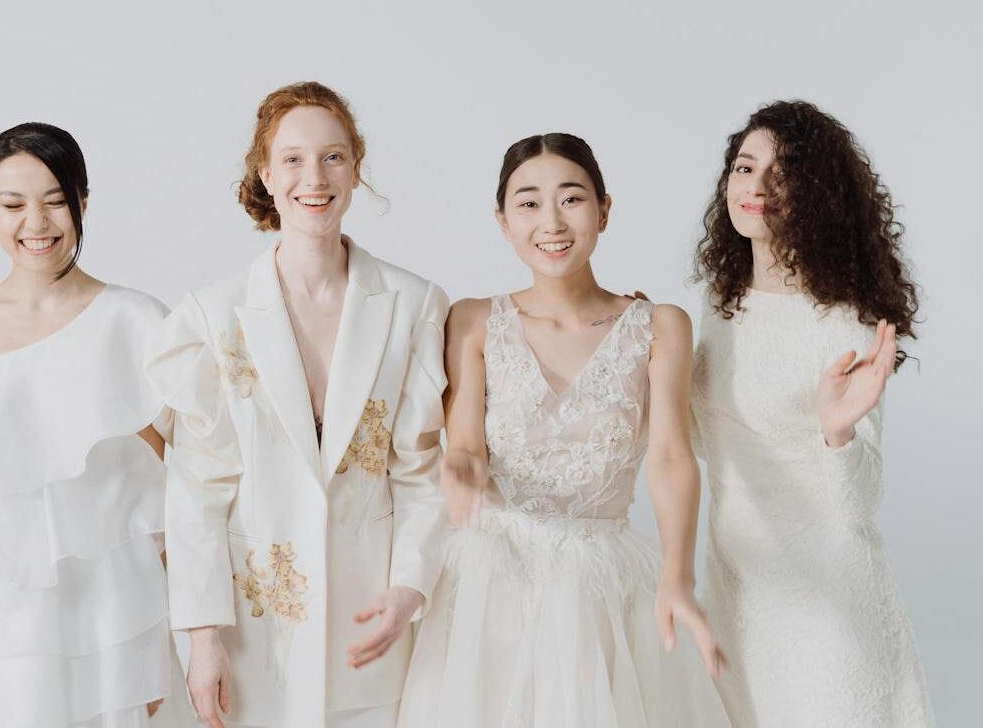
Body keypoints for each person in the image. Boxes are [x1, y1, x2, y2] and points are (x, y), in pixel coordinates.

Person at [398, 134, 729, 726]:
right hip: (492, 584)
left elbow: (672, 457)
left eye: (571, 199)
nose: (550, 221)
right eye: (528, 203)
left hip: (603, 588)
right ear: (502, 221)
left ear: (604, 210)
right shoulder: (473, 320)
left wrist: (679, 576)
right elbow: (466, 445)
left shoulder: (660, 326)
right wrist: (461, 469)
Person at [147, 82, 448, 728]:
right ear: (265, 173)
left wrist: (408, 590)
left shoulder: (413, 304)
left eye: (333, 157)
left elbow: (420, 472)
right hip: (252, 633)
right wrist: (201, 638)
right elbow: (197, 487)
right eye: (293, 159)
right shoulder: (210, 316)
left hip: (370, 626)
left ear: (356, 168)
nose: (315, 177)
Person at [0, 122, 185, 727]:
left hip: (107, 607)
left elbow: (171, 493)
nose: (37, 222)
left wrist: (158, 633)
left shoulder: (137, 321)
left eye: (55, 201)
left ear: (81, 201)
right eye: (14, 205)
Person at [691, 101, 934, 727]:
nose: (758, 187)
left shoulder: (844, 320)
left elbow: (857, 504)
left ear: (819, 194)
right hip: (738, 588)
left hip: (826, 601)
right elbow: (700, 441)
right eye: (746, 167)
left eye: (785, 172)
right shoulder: (713, 308)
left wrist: (837, 431)